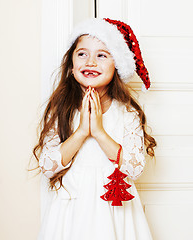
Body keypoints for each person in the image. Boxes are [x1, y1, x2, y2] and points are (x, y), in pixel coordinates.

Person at [33, 18, 156, 240]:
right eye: (82, 54)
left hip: (115, 212)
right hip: (71, 211)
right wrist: (81, 132)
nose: (90, 61)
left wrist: (99, 132)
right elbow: (48, 166)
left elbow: (134, 168)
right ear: (71, 66)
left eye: (101, 55)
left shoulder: (127, 114)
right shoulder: (61, 110)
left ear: (117, 65)